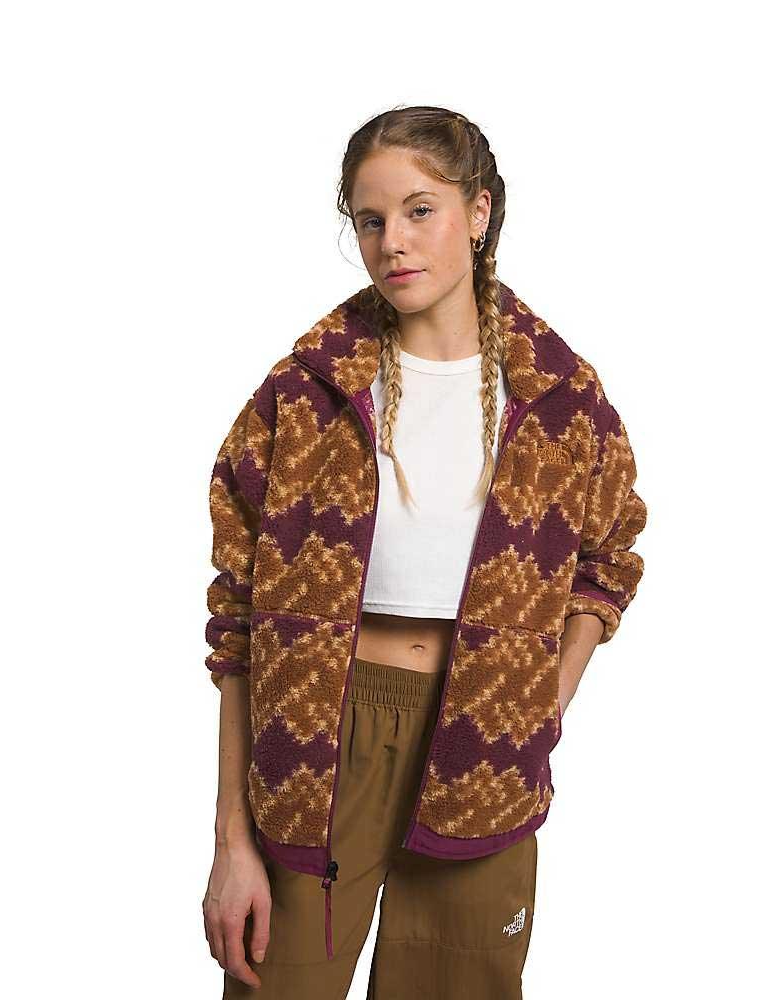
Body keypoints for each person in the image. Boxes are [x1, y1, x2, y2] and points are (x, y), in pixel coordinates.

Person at [201, 105, 648, 999]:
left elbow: (609, 558)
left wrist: (544, 703)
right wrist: (231, 841)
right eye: (370, 220)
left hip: (489, 742)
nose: (392, 242)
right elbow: (238, 616)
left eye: (419, 210)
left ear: (478, 213)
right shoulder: (307, 393)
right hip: (320, 740)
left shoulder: (559, 399)